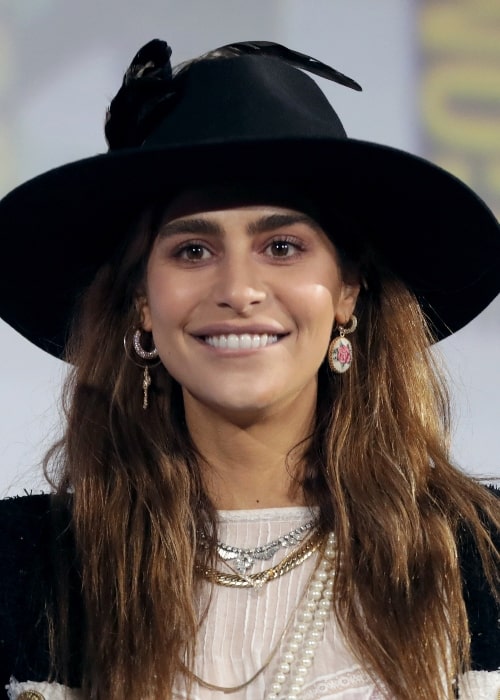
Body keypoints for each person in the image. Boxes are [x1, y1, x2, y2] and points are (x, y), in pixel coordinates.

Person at [0, 37, 499, 700]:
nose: (239, 288)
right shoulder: (20, 567)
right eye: (194, 249)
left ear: (348, 290)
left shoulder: (485, 554)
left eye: (282, 246)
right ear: (142, 303)